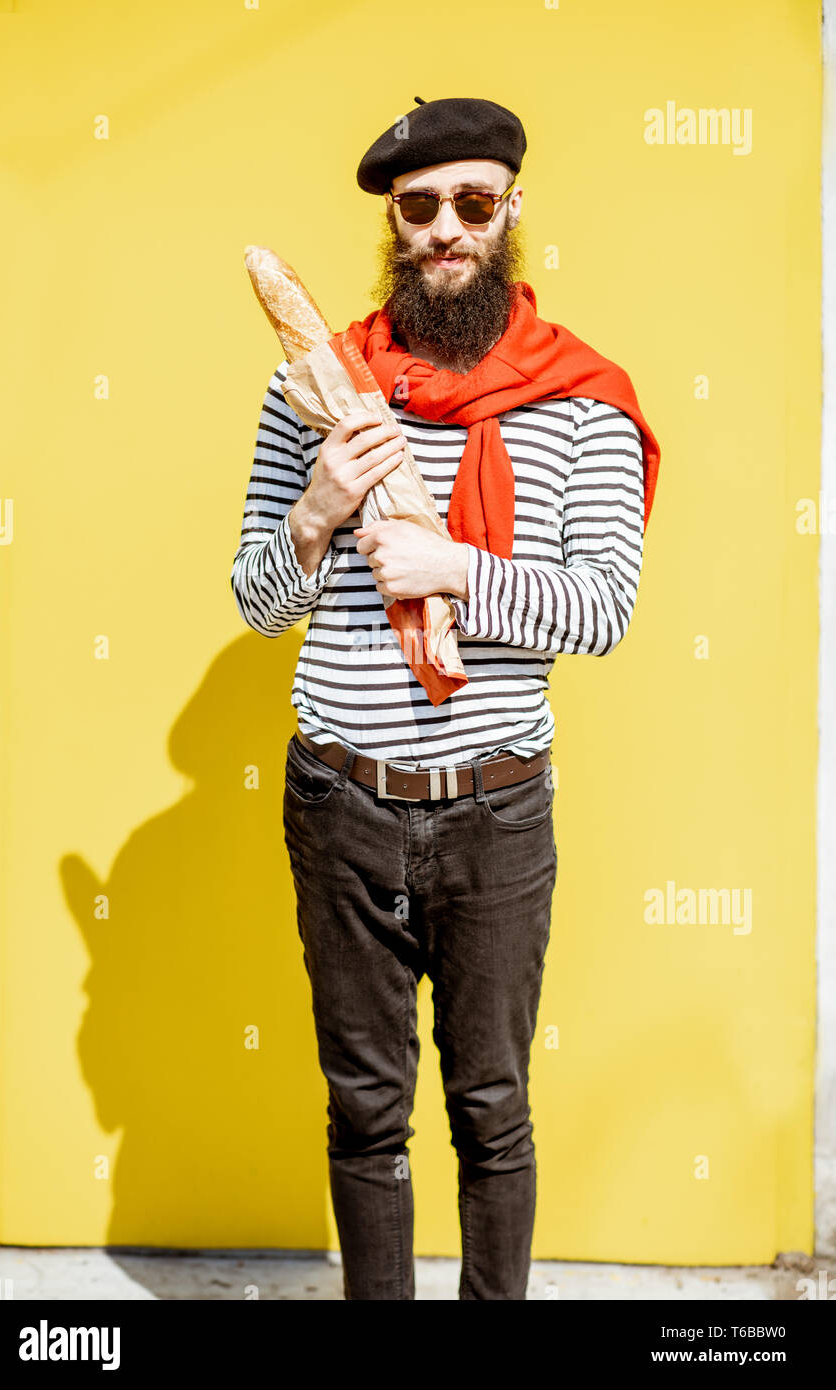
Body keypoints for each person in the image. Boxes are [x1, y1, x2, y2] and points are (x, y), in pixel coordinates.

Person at [231, 95, 659, 1300]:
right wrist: (315, 515)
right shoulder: (315, 389)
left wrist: (453, 569)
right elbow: (259, 602)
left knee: (492, 1107)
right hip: (340, 804)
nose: (446, 230)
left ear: (511, 211)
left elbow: (604, 609)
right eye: (421, 208)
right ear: (393, 223)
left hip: (498, 815)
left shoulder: (586, 400)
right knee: (364, 1111)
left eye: (474, 203)